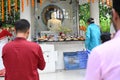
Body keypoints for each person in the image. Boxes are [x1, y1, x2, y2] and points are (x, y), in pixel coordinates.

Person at [85, 0, 120, 80]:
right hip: (98, 43)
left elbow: (88, 37)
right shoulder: (97, 27)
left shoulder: (100, 53)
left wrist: (86, 45)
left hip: (92, 47)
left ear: (114, 15)